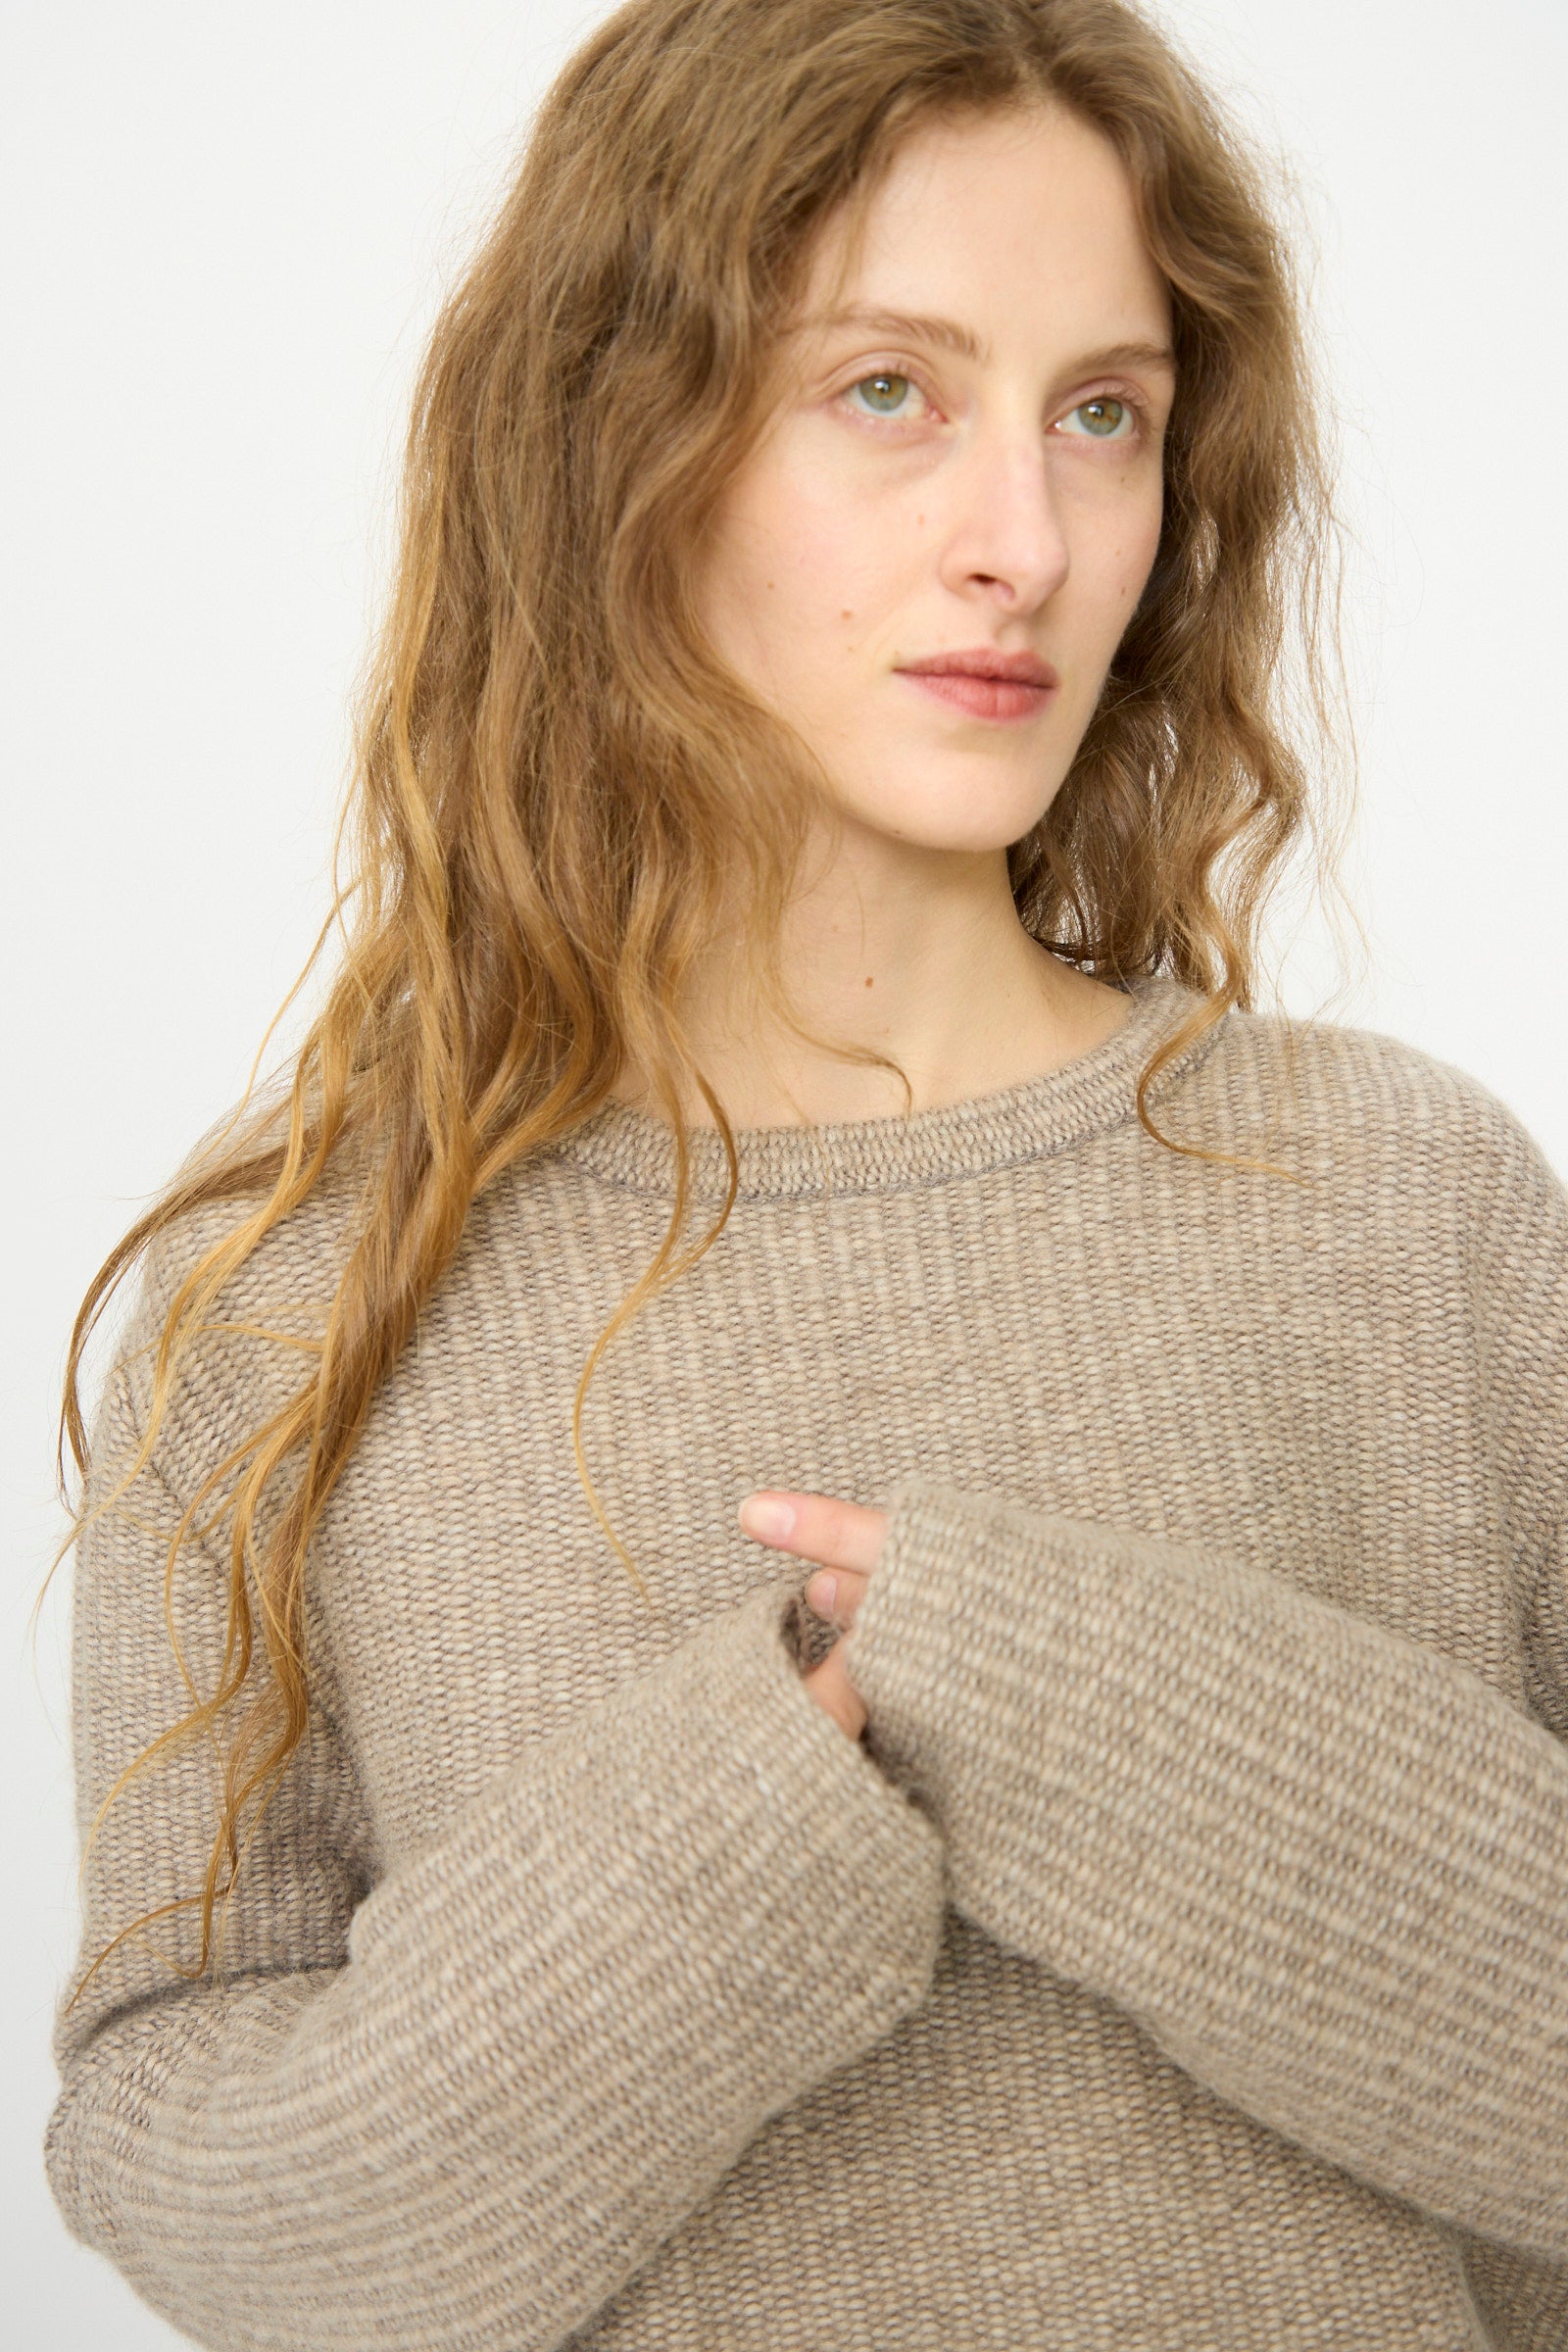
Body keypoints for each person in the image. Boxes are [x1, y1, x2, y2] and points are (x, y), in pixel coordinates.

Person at [42, 1, 1568, 2346]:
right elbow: (236, 2240)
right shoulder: (298, 1292)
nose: (1025, 541)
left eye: (1102, 415)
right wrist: (715, 1854)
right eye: (888, 391)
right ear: (616, 438)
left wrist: (1087, 1706)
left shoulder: (1401, 1206)